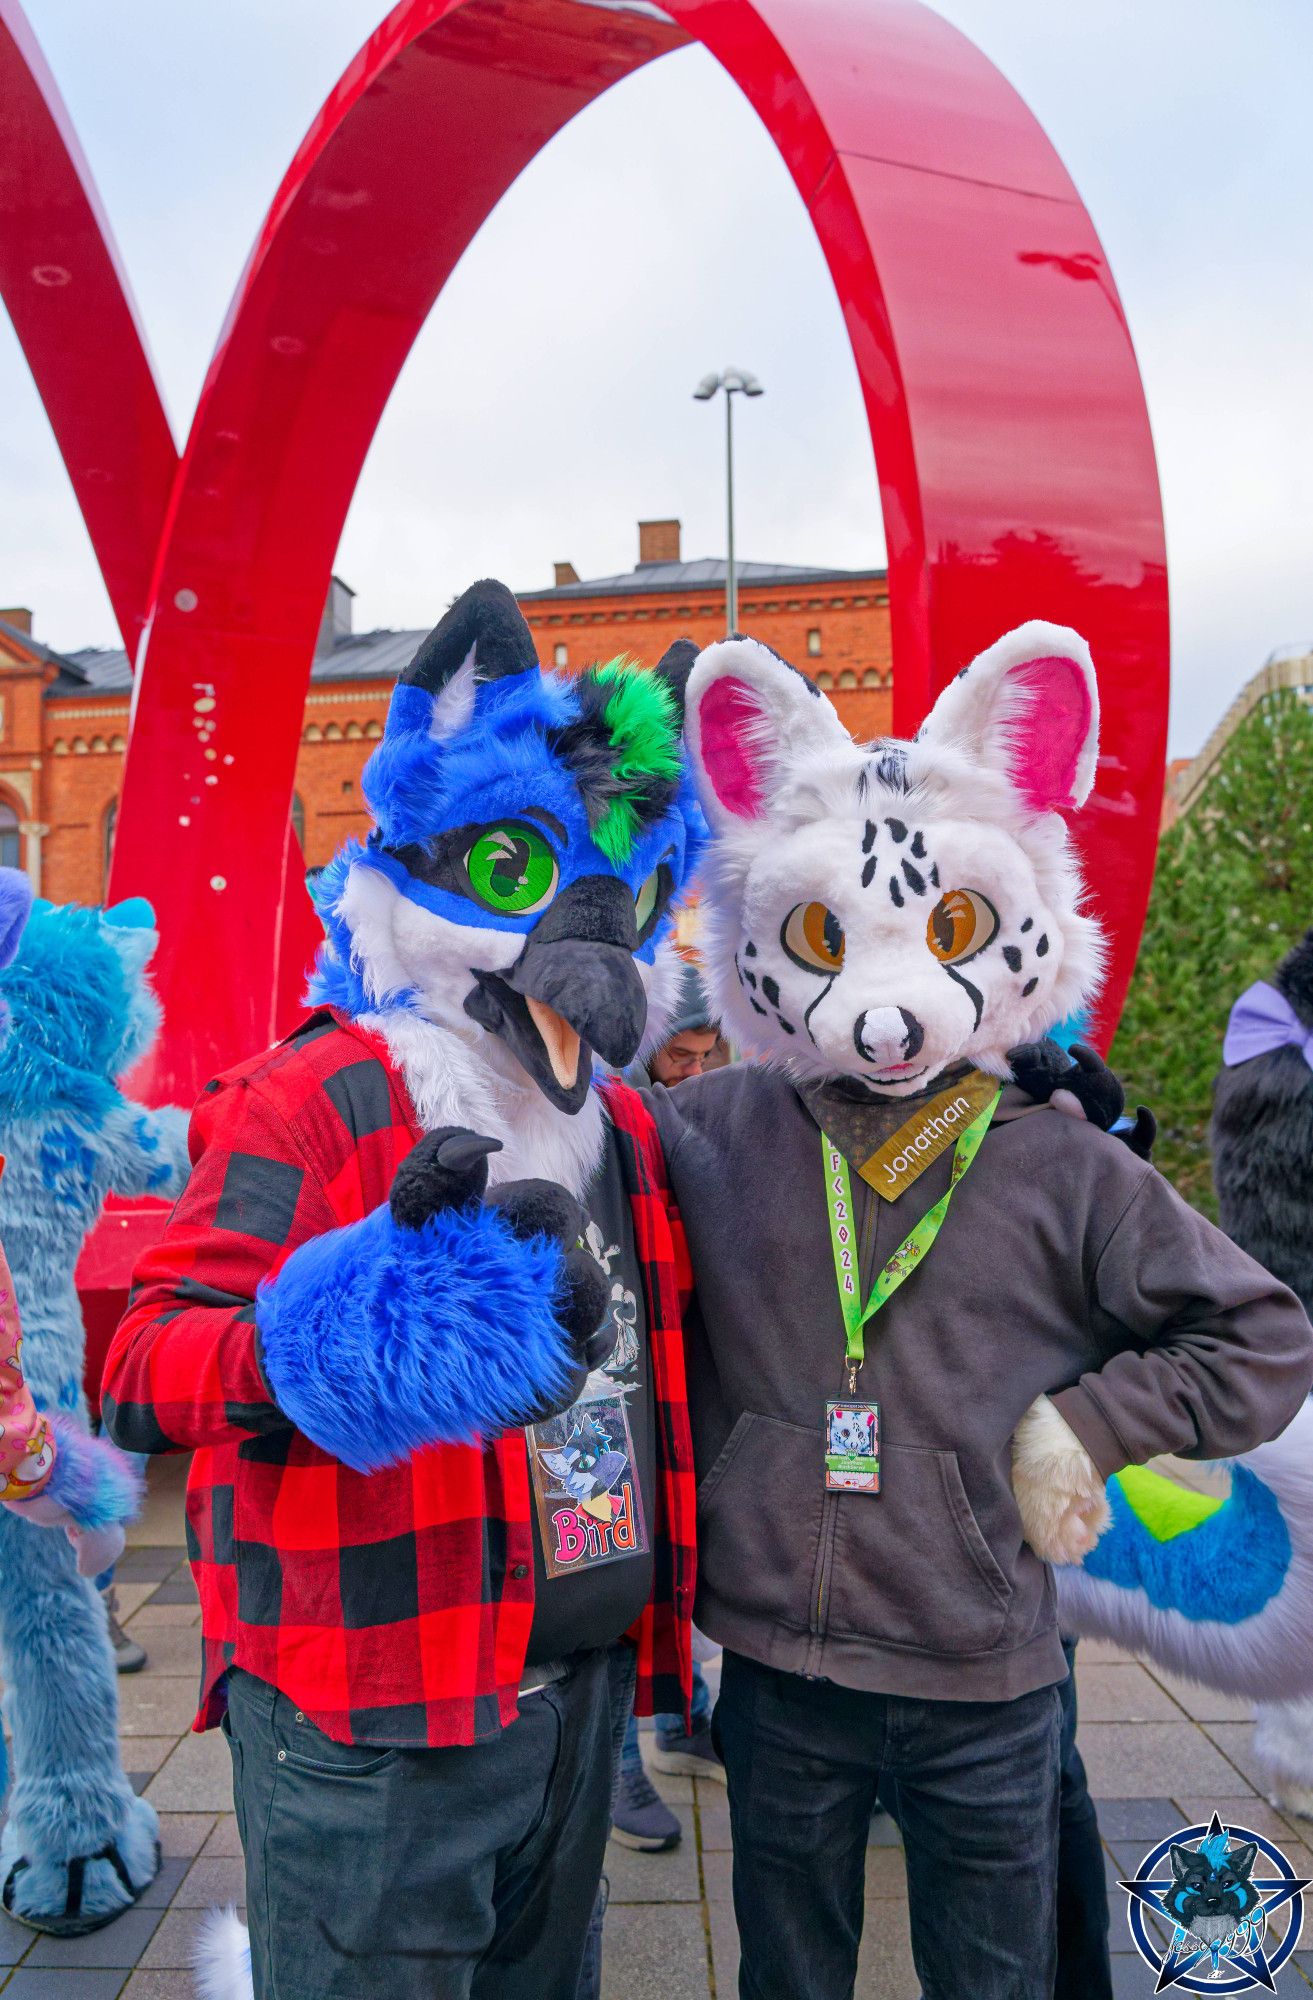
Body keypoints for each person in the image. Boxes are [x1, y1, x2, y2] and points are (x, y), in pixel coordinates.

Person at [103, 582, 700, 2000]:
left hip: (578, 1696)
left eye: (637, 895)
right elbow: (143, 1363)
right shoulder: (314, 1096)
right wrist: (360, 1326)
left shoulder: (624, 1127)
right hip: (377, 1720)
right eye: (520, 880)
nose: (593, 961)